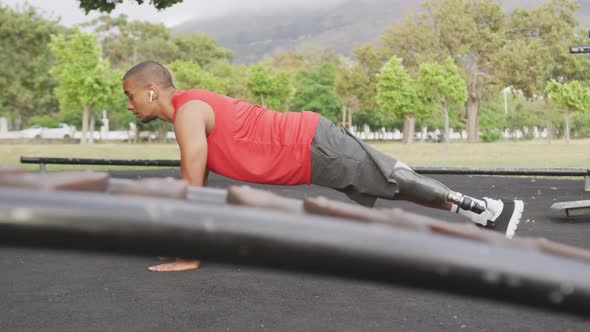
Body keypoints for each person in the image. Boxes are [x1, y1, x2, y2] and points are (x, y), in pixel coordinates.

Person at [123, 60, 524, 272]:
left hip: (310, 143)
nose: (129, 104)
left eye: (130, 94)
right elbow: (200, 179)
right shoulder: (191, 109)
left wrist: (190, 252)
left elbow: (191, 185)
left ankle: (488, 209)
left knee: (389, 178)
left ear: (152, 89)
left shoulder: (188, 111)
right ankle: (485, 213)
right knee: (386, 182)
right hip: (310, 149)